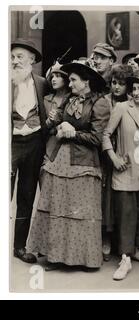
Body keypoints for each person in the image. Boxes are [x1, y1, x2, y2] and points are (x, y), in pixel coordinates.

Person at [26, 59, 111, 271]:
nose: (69, 84)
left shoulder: (99, 103)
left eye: (73, 80)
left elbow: (97, 138)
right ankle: (55, 256)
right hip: (60, 159)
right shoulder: (69, 99)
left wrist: (73, 133)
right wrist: (51, 122)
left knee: (80, 212)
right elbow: (53, 123)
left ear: (86, 81)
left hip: (83, 162)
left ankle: (84, 260)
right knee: (58, 208)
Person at [102, 75, 139, 281]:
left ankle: (134, 249)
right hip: (125, 169)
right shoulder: (122, 108)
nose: (135, 93)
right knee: (126, 213)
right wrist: (114, 158)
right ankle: (124, 258)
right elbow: (106, 134)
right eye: (134, 89)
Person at [11, 39, 49, 264]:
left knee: (26, 195)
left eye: (20, 57)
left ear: (32, 60)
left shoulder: (42, 83)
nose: (15, 61)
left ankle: (20, 246)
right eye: (12, 57)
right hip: (10, 144)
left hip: (35, 142)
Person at [101, 64, 133, 262]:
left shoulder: (132, 102)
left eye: (121, 84)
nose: (117, 87)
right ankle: (105, 238)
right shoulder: (104, 101)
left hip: (124, 153)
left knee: (120, 198)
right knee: (105, 196)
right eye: (114, 83)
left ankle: (121, 242)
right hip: (105, 152)